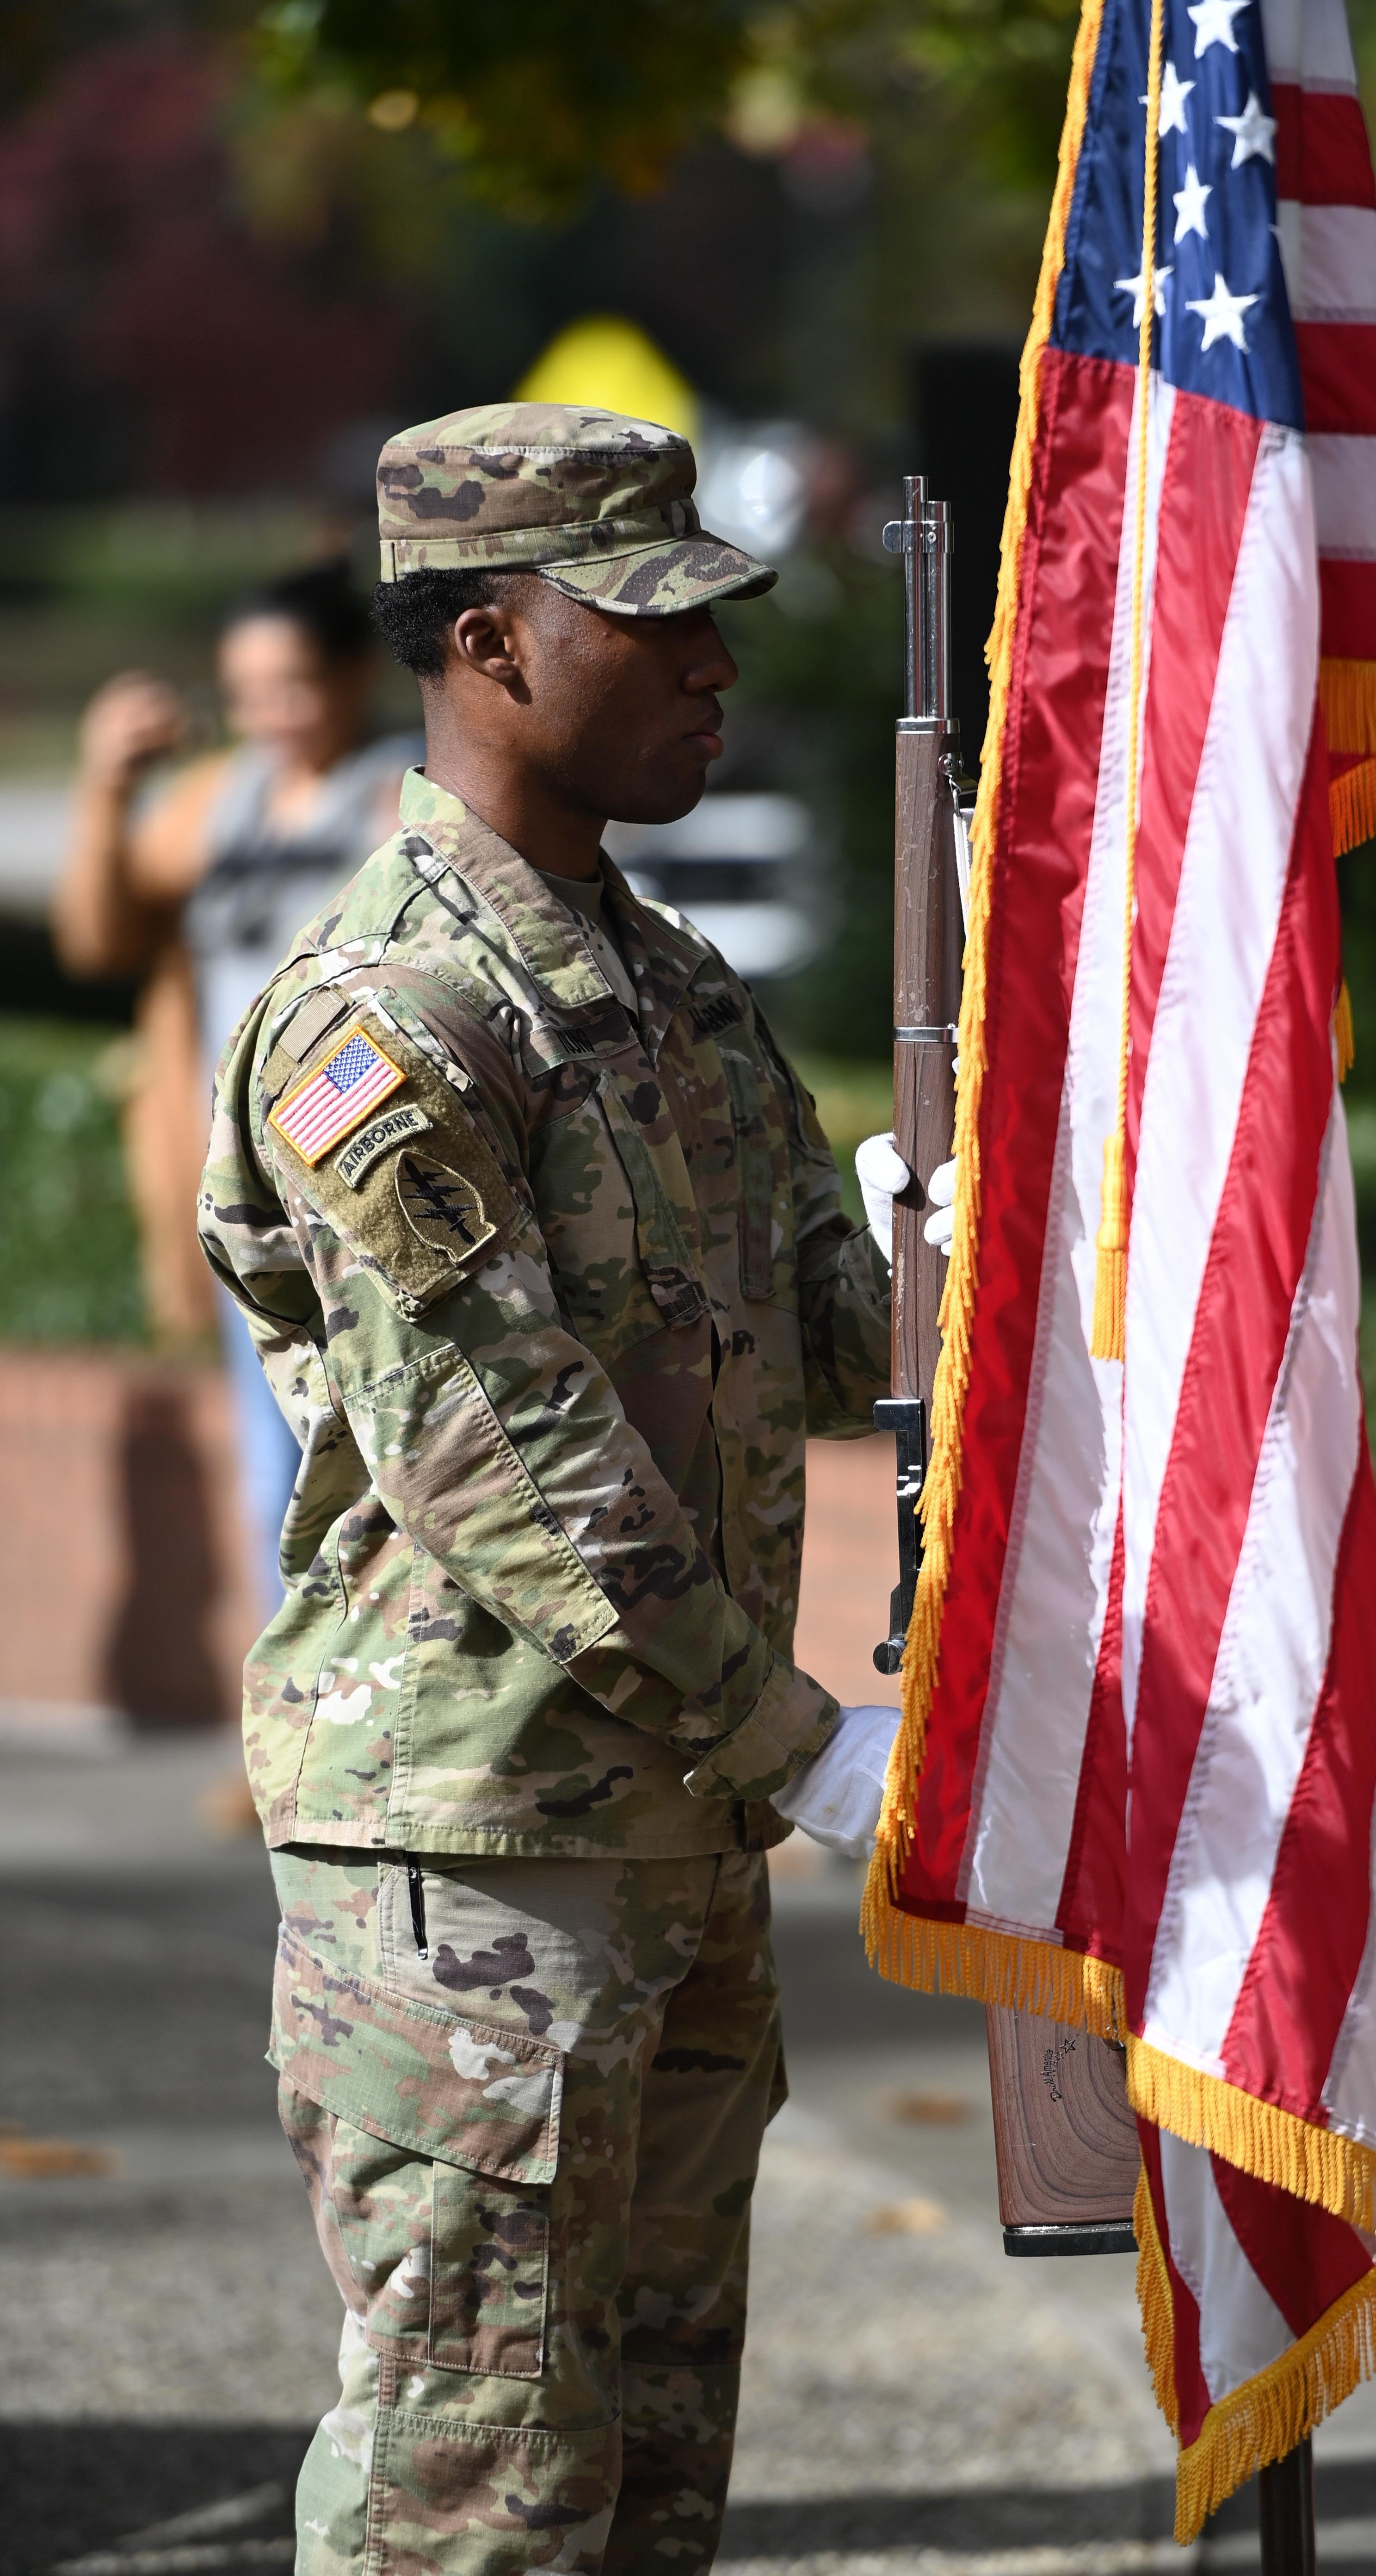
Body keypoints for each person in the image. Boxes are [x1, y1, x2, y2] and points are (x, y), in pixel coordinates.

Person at [197, 404, 906, 2576]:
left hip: (666, 1845)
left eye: (716, 623)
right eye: (653, 625)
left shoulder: (668, 989)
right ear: (492, 642)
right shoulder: (390, 1014)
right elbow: (502, 1453)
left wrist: (963, 1220)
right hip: (477, 1867)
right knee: (475, 2509)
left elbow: (838, 1345)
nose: (715, 667)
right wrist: (802, 1743)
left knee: (648, 2495)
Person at [54, 563, 420, 1615]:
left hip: (363, 1198)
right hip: (247, 1206)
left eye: (290, 684)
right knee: (277, 1483)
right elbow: (99, 942)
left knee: (394, 1473)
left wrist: (313, 1121)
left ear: (353, 675)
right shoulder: (221, 798)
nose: (269, 713)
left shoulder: (401, 799)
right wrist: (106, 787)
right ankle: (297, 1710)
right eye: (245, 691)